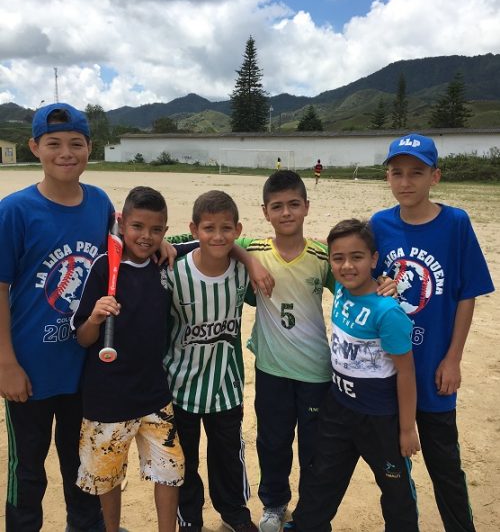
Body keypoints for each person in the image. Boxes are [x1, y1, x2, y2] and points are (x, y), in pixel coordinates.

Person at [238, 171, 396, 532]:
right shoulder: (256, 249)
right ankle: (274, 505)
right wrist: (249, 262)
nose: (286, 213)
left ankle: (309, 511)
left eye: (294, 204)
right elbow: (225, 240)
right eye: (277, 206)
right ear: (265, 212)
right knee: (273, 442)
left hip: (316, 373)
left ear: (307, 207)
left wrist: (384, 283)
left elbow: (355, 281)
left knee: (315, 449)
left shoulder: (323, 256)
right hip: (272, 370)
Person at [370, 133, 495, 532]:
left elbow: (466, 294)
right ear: (388, 177)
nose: (406, 182)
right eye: (397, 173)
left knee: (446, 467)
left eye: (416, 173)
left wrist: (453, 358)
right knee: (395, 471)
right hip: (391, 371)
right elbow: (370, 287)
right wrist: (380, 288)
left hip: (435, 368)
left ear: (435, 176)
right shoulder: (380, 224)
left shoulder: (455, 223)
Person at [0, 103, 112, 531]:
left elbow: (116, 252)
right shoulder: (15, 210)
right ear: (34, 148)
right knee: (27, 471)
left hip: (82, 367)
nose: (66, 153)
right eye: (54, 144)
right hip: (28, 369)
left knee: (81, 467)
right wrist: (6, 363)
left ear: (89, 148)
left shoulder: (99, 203)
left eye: (76, 144)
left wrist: (159, 245)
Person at [287, 219, 420, 532]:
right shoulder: (342, 291)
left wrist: (406, 429)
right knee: (322, 479)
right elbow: (311, 247)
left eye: (357, 257)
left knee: (396, 491)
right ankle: (307, 525)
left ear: (374, 259)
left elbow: (406, 373)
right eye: (338, 258)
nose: (347, 266)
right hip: (338, 408)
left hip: (380, 421)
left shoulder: (388, 312)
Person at [71, 186, 185, 532]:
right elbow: (82, 338)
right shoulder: (104, 267)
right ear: (122, 225)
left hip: (154, 395)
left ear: (165, 231)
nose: (146, 236)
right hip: (107, 400)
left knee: (170, 473)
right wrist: (95, 317)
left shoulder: (164, 263)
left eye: (155, 230)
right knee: (107, 479)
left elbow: (210, 245)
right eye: (137, 227)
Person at [164, 190, 258, 532]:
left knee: (228, 458)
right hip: (180, 387)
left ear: (237, 230)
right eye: (208, 228)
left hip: (226, 388)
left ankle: (234, 514)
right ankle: (189, 518)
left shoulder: (242, 273)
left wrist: (249, 258)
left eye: (226, 229)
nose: (217, 236)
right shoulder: (173, 272)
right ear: (194, 229)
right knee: (183, 461)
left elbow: (262, 248)